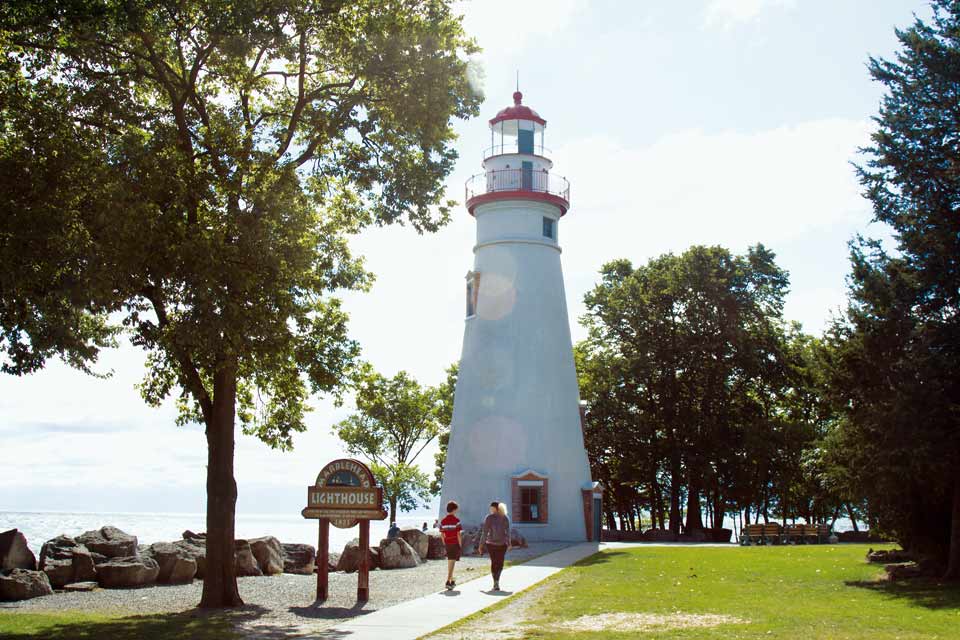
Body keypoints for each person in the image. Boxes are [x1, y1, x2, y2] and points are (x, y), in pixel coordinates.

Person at [477, 501, 512, 591]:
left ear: (497, 508)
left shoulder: (504, 518)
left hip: (501, 544)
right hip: (492, 544)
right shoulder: (490, 518)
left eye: (491, 508)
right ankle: (496, 582)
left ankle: (496, 582)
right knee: (496, 562)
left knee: (498, 562)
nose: (490, 509)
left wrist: (509, 543)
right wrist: (481, 545)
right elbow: (484, 532)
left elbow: (508, 532)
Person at [439, 500, 463, 590]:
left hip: (447, 543)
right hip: (455, 543)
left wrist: (444, 544)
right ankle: (448, 581)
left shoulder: (443, 521)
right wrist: (460, 545)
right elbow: (458, 534)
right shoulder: (457, 521)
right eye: (456, 509)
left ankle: (452, 580)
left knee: (450, 562)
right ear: (454, 510)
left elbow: (442, 534)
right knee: (452, 562)